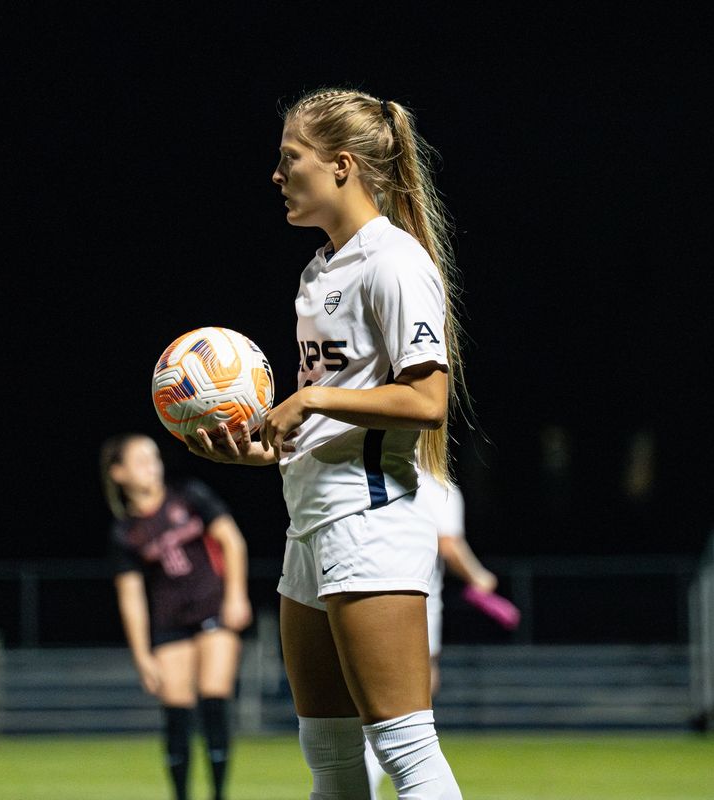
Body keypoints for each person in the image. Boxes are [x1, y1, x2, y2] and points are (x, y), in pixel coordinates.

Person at [187, 87, 466, 799]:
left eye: (290, 159)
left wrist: (308, 397)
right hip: (310, 523)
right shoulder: (320, 271)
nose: (277, 176)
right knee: (331, 760)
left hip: (371, 520)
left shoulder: (393, 261)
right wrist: (262, 451)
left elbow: (426, 400)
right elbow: (334, 423)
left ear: (342, 166)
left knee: (405, 749)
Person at [101, 433, 252, 800]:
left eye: (153, 457)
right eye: (139, 460)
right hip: (170, 623)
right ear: (118, 473)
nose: (150, 465)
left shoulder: (189, 495)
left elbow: (232, 540)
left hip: (212, 609)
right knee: (176, 716)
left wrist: (236, 596)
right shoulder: (125, 531)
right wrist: (141, 656)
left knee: (214, 702)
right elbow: (131, 597)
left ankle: (218, 794)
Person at [364, 469, 511, 798]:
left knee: (378, 702)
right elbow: (448, 544)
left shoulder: (373, 471)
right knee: (410, 714)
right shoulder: (438, 488)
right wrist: (478, 576)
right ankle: (370, 782)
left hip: (369, 597)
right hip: (417, 604)